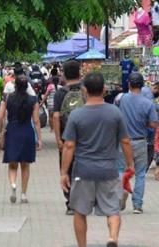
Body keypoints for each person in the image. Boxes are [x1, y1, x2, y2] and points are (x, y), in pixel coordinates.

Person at [60, 73, 134, 247]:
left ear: (84, 91)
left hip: (83, 171)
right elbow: (125, 141)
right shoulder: (115, 113)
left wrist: (64, 172)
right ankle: (112, 238)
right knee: (113, 210)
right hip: (109, 170)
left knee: (79, 211)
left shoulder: (76, 115)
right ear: (104, 90)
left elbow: (69, 146)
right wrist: (130, 164)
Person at [115, 72, 158, 214]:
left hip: (123, 141)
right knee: (140, 174)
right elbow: (153, 124)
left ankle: (121, 194)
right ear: (143, 85)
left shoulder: (121, 99)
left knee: (121, 170)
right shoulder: (148, 103)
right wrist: (144, 123)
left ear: (129, 84)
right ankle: (137, 205)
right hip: (140, 142)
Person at [0, 75, 42, 204]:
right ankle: (23, 194)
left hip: (12, 131)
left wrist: (1, 131)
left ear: (15, 85)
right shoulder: (33, 100)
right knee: (25, 165)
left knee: (12, 164)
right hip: (27, 132)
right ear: (27, 86)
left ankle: (13, 184)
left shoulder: (7, 98)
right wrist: (39, 138)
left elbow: (0, 117)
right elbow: (36, 120)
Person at [53, 60, 84, 215]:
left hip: (66, 137)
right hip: (85, 138)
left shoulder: (60, 92)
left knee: (66, 168)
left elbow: (56, 116)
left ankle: (71, 203)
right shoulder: (85, 90)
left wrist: (58, 138)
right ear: (79, 73)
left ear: (64, 74)